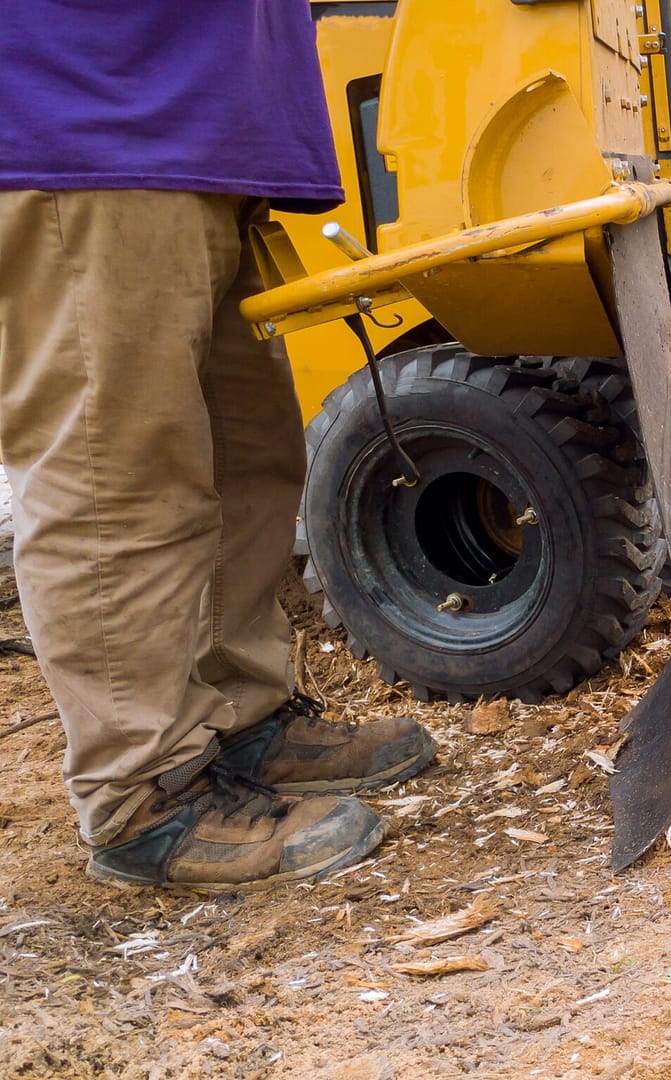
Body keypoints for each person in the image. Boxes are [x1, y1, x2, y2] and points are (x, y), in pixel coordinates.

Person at [0, 2, 435, 890]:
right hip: (85, 119)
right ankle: (140, 794)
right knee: (116, 477)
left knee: (248, 462)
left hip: (206, 136)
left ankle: (241, 719)